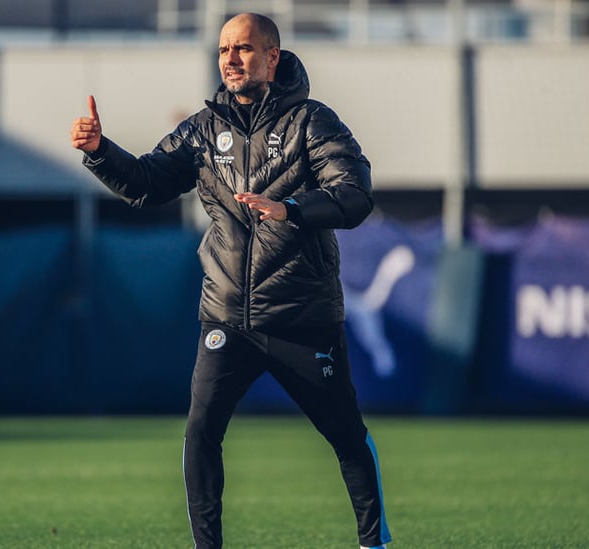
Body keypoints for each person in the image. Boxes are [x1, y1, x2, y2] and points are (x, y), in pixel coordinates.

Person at [70, 12, 391, 549]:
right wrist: (101, 152)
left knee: (345, 436)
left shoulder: (312, 121)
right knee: (201, 432)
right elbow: (147, 184)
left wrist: (289, 208)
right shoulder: (202, 129)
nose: (231, 59)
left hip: (301, 316)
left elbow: (356, 195)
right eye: (224, 50)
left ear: (272, 56)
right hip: (227, 317)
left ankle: (372, 542)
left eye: (243, 49)